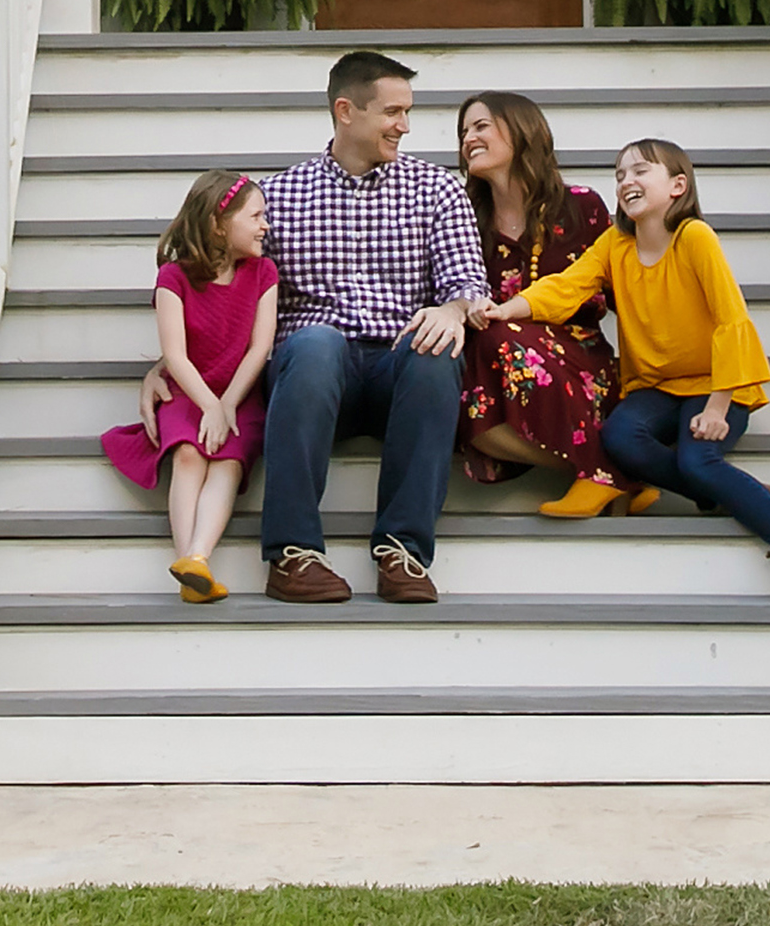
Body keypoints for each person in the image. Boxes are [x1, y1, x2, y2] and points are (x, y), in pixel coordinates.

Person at [516, 136, 770, 600]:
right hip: (655, 387)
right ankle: (752, 493)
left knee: (699, 461)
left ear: (678, 185)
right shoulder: (615, 243)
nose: (626, 181)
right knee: (618, 438)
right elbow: (565, 288)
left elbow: (731, 319)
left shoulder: (694, 237)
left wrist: (718, 406)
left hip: (719, 383)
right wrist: (506, 309)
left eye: (640, 171)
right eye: (619, 175)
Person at [251, 47, 487, 605]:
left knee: (436, 349)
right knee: (315, 342)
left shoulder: (436, 190)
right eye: (392, 112)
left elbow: (467, 284)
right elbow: (229, 289)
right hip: (310, 377)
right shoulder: (279, 196)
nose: (405, 126)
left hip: (395, 372)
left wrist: (450, 310)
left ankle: (402, 552)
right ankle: (292, 555)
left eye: (408, 112)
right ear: (345, 111)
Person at [99, 171, 281, 601]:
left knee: (228, 461)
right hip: (188, 390)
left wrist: (228, 405)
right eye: (255, 216)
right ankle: (188, 564)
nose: (265, 225)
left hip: (240, 392)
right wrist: (208, 405)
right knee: (187, 455)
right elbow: (175, 356)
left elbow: (260, 348)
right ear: (219, 224)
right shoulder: (173, 278)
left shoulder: (263, 273)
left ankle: (198, 557)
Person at [441, 90, 617, 511]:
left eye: (480, 126)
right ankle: (608, 471)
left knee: (496, 331)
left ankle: (608, 473)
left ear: (521, 132)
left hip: (579, 360)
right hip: (493, 370)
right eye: (463, 132)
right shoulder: (463, 216)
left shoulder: (581, 207)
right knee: (460, 403)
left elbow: (626, 291)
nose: (468, 139)